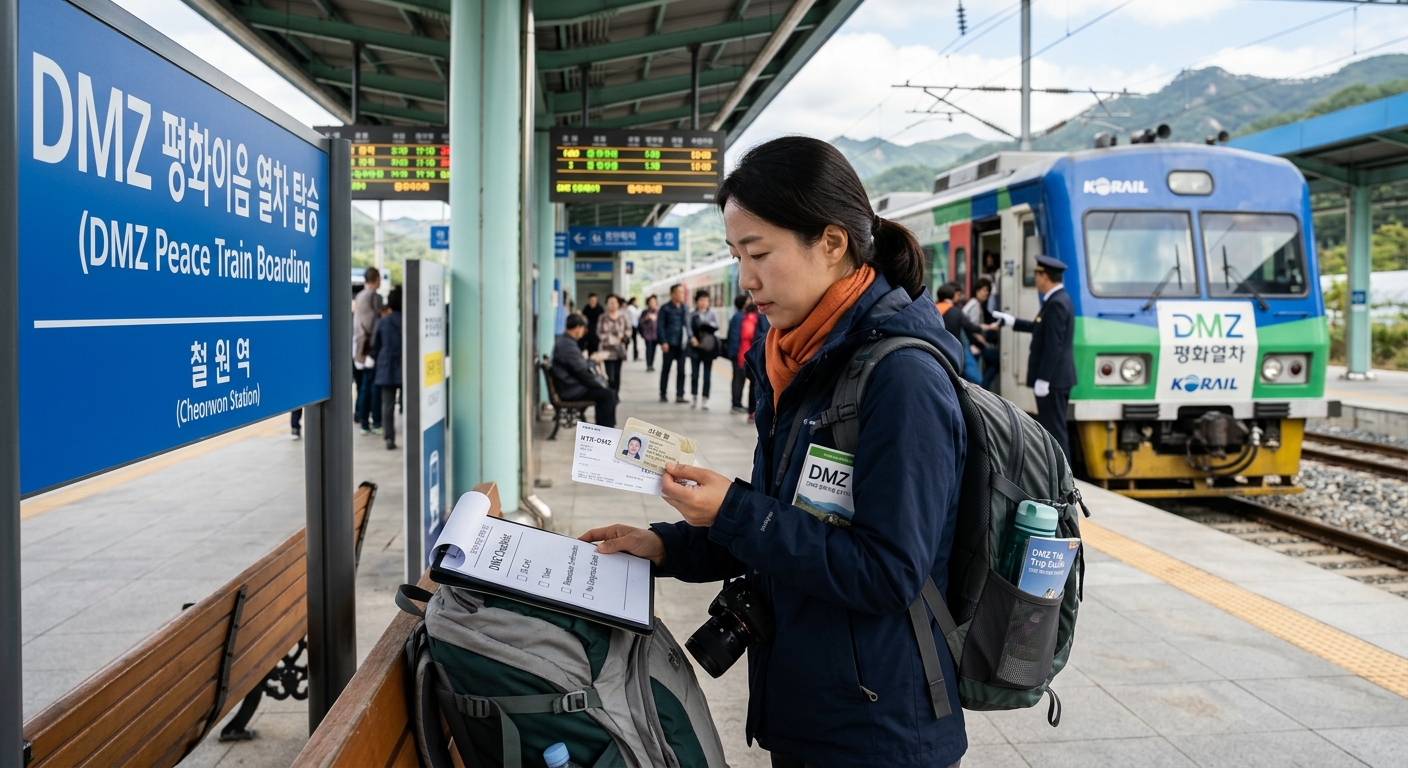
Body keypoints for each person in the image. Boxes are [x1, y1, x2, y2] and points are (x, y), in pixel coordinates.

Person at [579, 136, 968, 768]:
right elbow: (790, 522)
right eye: (736, 255)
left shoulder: (902, 379)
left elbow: (888, 572)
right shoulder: (800, 360)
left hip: (879, 729)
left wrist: (732, 510)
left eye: (759, 253)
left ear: (832, 242)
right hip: (816, 708)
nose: (746, 279)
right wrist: (667, 545)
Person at [994, 254, 1077, 465]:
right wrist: (1012, 321)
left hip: (1053, 380)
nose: (1036, 280)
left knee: (1054, 431)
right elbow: (1039, 328)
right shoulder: (1058, 300)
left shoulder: (1056, 303)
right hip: (1056, 379)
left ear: (1044, 276)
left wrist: (1044, 379)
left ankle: (1063, 476)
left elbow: (1053, 345)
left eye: (1037, 275)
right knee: (1053, 428)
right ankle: (1058, 474)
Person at [553, 314, 618, 428]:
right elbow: (582, 371)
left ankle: (605, 429)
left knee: (607, 392)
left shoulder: (566, 341)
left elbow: (579, 366)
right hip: (572, 389)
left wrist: (591, 361)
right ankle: (605, 431)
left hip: (570, 385)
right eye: (583, 328)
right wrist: (598, 384)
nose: (584, 332)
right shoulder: (567, 345)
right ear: (578, 328)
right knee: (608, 395)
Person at [370, 286, 403, 450]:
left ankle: (389, 438)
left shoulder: (383, 322)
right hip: (406, 367)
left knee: (387, 405)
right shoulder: (410, 321)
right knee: (411, 404)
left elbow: (374, 346)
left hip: (386, 367)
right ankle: (413, 436)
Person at [936, 282, 989, 384]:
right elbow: (970, 326)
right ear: (952, 294)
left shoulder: (934, 308)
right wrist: (987, 327)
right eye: (958, 295)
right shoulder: (955, 311)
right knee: (974, 379)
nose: (960, 298)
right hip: (954, 349)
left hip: (938, 349)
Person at [352, 267, 384, 436]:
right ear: (376, 279)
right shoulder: (374, 296)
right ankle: (375, 422)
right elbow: (375, 323)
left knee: (363, 386)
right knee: (372, 386)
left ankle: (364, 422)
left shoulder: (359, 296)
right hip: (370, 348)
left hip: (359, 347)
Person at [964, 278, 1000, 390]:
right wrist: (983, 342)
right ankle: (984, 388)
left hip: (970, 343)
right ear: (977, 291)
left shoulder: (974, 303)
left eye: (988, 291)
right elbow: (973, 327)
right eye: (984, 290)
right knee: (996, 360)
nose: (986, 293)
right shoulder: (975, 305)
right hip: (970, 343)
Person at [687, 289, 719, 409]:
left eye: (706, 300)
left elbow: (716, 326)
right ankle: (694, 396)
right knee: (694, 375)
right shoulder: (692, 314)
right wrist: (692, 338)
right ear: (696, 301)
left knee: (707, 375)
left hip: (708, 348)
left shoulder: (712, 314)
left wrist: (708, 325)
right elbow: (689, 328)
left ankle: (705, 398)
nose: (703, 303)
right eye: (701, 300)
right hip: (695, 347)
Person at [658, 284, 688, 403]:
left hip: (681, 344)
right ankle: (663, 393)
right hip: (669, 344)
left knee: (681, 371)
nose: (681, 295)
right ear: (672, 294)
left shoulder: (684, 308)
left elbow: (687, 325)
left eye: (682, 292)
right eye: (679, 292)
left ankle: (680, 395)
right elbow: (660, 326)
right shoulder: (665, 308)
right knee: (666, 369)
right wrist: (663, 341)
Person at [596, 294, 631, 392]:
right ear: (606, 304)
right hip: (607, 350)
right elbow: (599, 332)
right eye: (610, 303)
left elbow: (629, 330)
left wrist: (622, 336)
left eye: (615, 303)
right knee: (610, 375)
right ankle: (611, 393)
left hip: (619, 350)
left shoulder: (623, 317)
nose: (613, 305)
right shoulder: (602, 317)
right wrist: (609, 338)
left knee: (617, 374)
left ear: (618, 304)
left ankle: (616, 394)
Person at [726, 294, 750, 412]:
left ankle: (737, 402)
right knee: (738, 378)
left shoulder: (738, 316)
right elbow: (735, 336)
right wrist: (737, 354)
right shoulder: (740, 317)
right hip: (738, 353)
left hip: (738, 352)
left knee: (739, 377)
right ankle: (736, 403)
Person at [640, 295, 660, 371]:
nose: (652, 303)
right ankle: (648, 364)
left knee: (654, 350)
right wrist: (647, 318)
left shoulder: (658, 312)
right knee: (649, 349)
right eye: (651, 302)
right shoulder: (645, 312)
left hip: (655, 334)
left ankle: (651, 364)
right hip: (647, 334)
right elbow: (640, 323)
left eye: (654, 302)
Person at [626, 296, 643, 361]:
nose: (637, 302)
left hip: (635, 326)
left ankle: (635, 356)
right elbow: (637, 315)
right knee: (627, 341)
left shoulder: (634, 308)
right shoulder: (630, 308)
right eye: (636, 301)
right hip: (631, 326)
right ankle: (625, 354)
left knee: (634, 342)